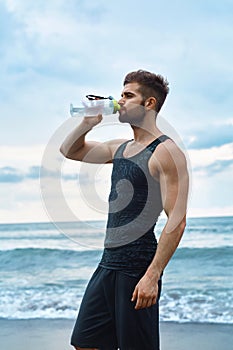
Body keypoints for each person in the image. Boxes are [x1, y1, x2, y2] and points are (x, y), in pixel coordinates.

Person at [60, 69, 189, 350]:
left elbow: (176, 221)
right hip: (108, 262)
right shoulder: (120, 148)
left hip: (137, 266)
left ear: (149, 104)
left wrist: (152, 275)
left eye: (128, 96)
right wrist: (87, 123)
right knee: (85, 342)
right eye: (121, 94)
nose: (120, 101)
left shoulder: (165, 152)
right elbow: (69, 150)